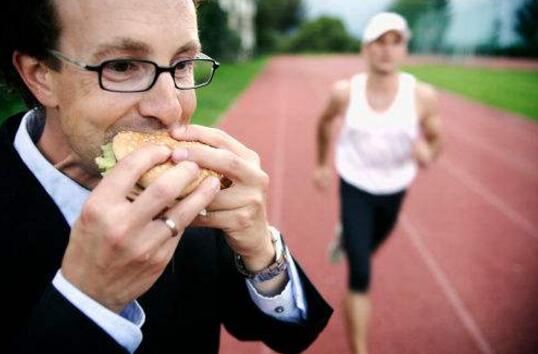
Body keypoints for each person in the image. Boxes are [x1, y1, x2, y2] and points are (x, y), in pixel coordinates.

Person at [0, 1, 333, 353]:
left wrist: (263, 255)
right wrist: (87, 301)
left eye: (183, 64)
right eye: (122, 66)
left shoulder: (191, 190)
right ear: (40, 75)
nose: (171, 108)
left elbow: (289, 336)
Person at [313, 12, 442, 354]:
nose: (387, 50)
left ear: (404, 49)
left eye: (395, 42)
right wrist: (322, 164)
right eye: (379, 42)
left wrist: (427, 151)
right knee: (361, 271)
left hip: (395, 189)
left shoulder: (422, 96)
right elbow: (325, 123)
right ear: (365, 48)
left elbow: (436, 138)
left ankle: (350, 238)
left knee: (368, 246)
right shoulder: (345, 93)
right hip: (355, 184)